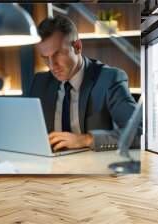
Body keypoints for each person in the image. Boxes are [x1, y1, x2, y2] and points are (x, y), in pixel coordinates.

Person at [28, 15, 138, 152]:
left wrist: (86, 139)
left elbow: (138, 132)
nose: (52, 65)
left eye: (58, 54)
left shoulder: (110, 79)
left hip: (92, 168)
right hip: (49, 165)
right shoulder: (40, 82)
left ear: (78, 47)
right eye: (45, 58)